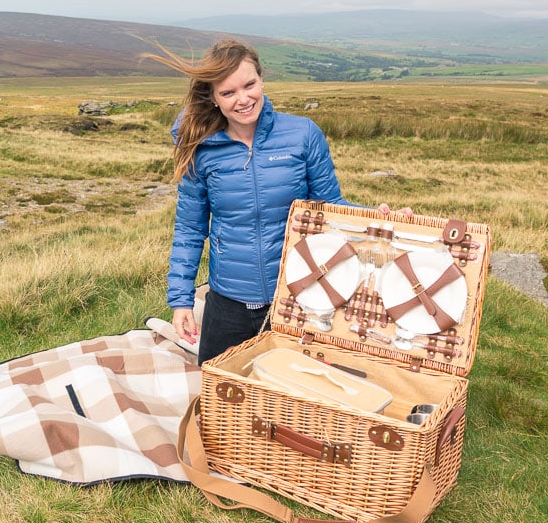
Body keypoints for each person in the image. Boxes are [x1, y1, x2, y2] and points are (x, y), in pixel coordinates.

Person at [147, 39, 390, 364]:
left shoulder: (303, 135)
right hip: (227, 302)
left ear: (262, 80)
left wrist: (382, 219)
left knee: (293, 398)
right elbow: (190, 229)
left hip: (297, 294)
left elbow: (331, 208)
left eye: (249, 85)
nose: (243, 99)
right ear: (214, 99)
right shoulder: (201, 150)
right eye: (228, 92)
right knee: (221, 395)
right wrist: (181, 300)